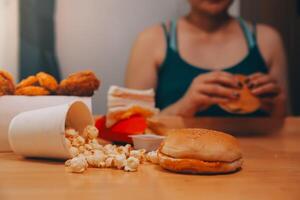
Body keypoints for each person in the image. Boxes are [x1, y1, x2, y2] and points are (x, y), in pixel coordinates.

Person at [125, 0, 287, 117]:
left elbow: (288, 127)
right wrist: (183, 107)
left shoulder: (267, 39)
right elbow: (129, 128)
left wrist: (276, 106)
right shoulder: (151, 40)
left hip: (261, 160)